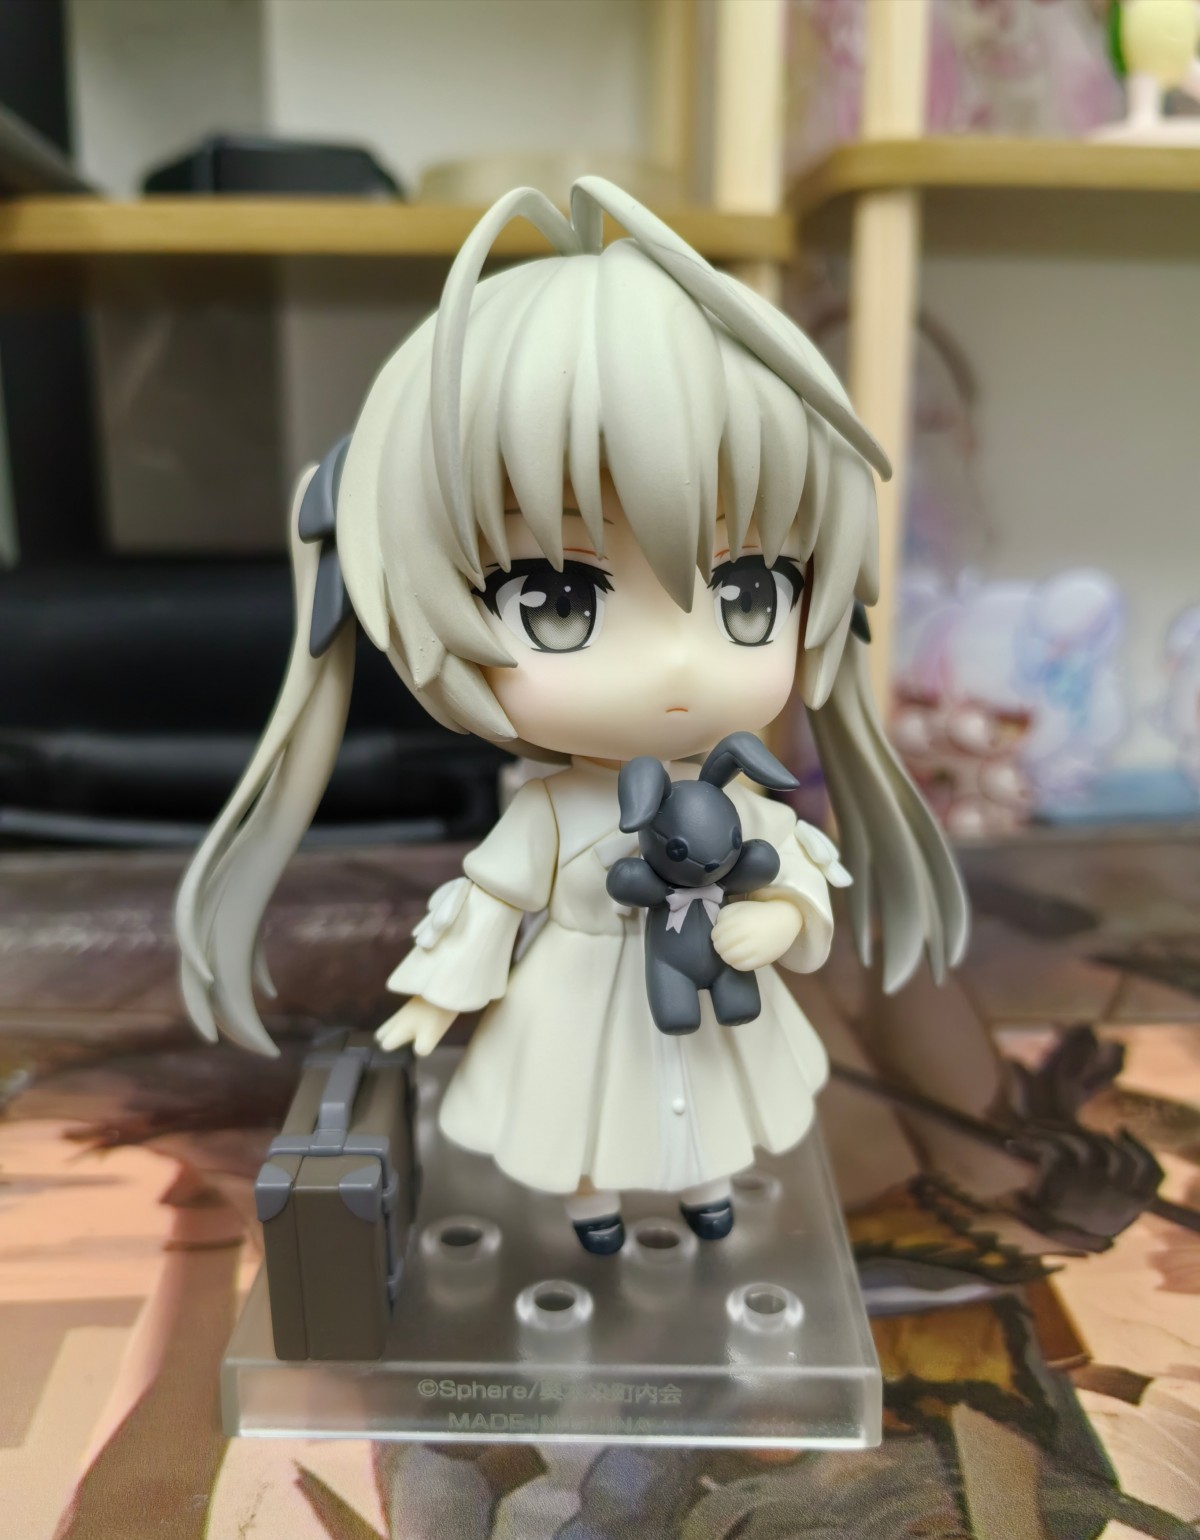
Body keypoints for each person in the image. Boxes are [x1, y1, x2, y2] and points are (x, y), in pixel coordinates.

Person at [175, 177, 967, 1253]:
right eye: (560, 600)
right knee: (579, 1114)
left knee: (712, 1107)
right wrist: (437, 996)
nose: (679, 659)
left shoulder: (738, 789)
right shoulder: (552, 814)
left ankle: (703, 1191)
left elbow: (796, 866)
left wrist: (780, 919)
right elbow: (492, 902)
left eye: (749, 591)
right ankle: (592, 1204)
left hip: (712, 989)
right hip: (579, 994)